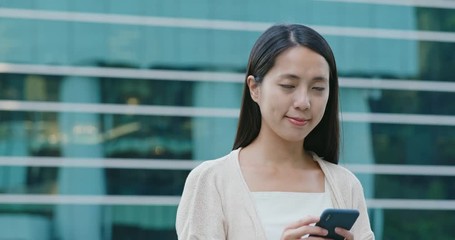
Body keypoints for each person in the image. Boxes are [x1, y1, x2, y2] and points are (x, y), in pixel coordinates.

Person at [176, 23, 375, 240]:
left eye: (318, 88)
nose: (304, 102)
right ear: (254, 88)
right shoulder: (211, 181)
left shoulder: (346, 185)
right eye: (288, 86)